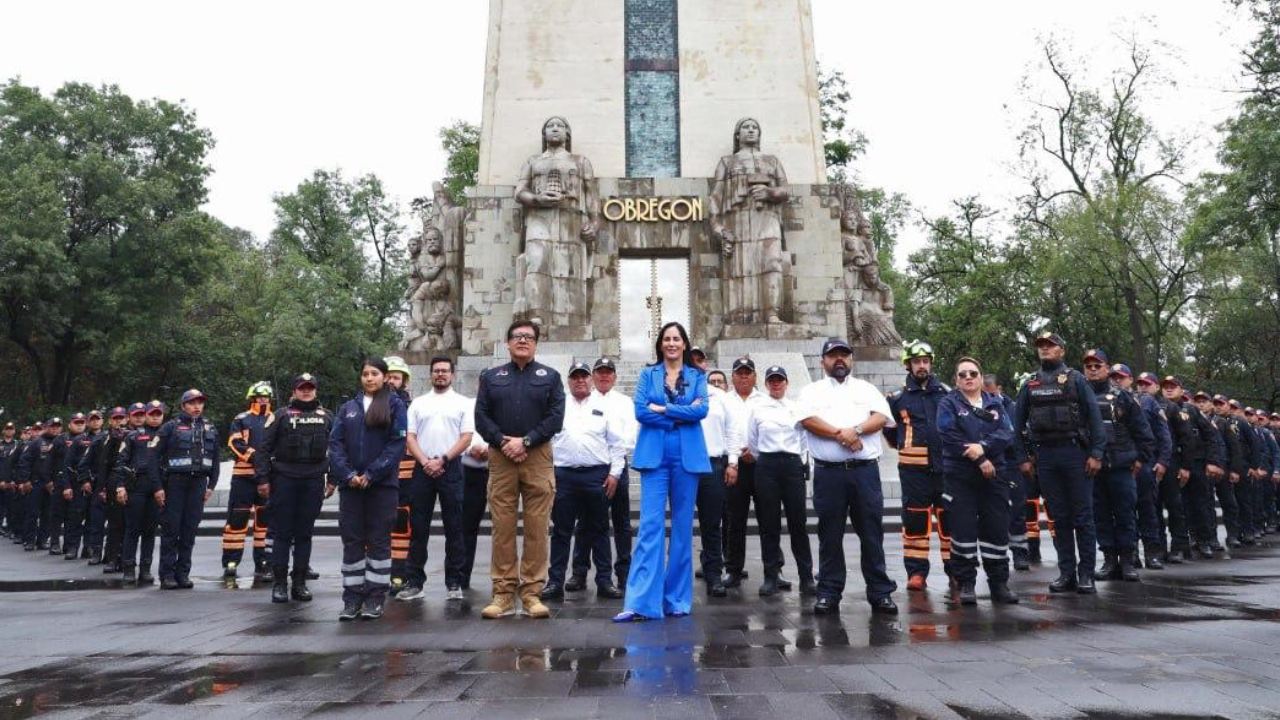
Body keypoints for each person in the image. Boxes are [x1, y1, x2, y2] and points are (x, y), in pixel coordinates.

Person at [613, 321, 709, 622]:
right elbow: (641, 410)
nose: (671, 344)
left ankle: (677, 600)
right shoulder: (648, 374)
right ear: (660, 345)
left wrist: (664, 410)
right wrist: (681, 413)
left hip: (687, 456)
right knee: (650, 527)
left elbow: (701, 410)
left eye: (676, 339)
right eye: (666, 339)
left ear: (685, 344)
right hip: (655, 455)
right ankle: (641, 602)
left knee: (682, 529)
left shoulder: (697, 376)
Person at [796, 337, 899, 616]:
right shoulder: (811, 391)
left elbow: (881, 417)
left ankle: (880, 593)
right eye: (833, 356)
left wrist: (857, 430)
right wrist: (842, 435)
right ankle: (829, 592)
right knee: (830, 535)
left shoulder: (866, 388)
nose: (839, 360)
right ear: (823, 362)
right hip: (829, 475)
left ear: (851, 360)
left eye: (844, 355)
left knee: (872, 534)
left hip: (864, 473)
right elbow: (807, 420)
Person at [474, 320, 565, 619]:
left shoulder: (550, 377)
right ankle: (502, 594)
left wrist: (526, 441)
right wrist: (503, 441)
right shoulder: (491, 377)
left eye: (528, 337)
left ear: (536, 343)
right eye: (517, 337)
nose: (523, 341)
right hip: (501, 458)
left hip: (537, 456)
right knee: (502, 527)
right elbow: (481, 417)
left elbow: (555, 417)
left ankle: (531, 593)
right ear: (508, 343)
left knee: (538, 528)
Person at [1011, 331, 1106, 594]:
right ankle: (1067, 573)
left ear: (1061, 350)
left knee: (1083, 517)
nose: (1045, 349)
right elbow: (1017, 425)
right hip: (1046, 457)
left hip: (1075, 454)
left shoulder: (1077, 380)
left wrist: (1096, 454)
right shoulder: (1030, 384)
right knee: (1059, 518)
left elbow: (1095, 421)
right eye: (1041, 346)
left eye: (1050, 346)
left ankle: (1086, 573)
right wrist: (1023, 458)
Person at [330, 358, 409, 621]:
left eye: (374, 373)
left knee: (378, 542)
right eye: (365, 374)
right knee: (352, 542)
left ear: (385, 377)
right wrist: (349, 475)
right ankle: (351, 599)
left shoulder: (395, 405)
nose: (369, 378)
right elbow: (336, 445)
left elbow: (396, 445)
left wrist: (371, 474)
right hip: (351, 487)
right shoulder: (348, 408)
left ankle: (375, 598)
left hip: (382, 487)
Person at [937, 357, 1019, 605]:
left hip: (995, 475)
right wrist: (979, 458)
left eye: (973, 373)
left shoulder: (996, 403)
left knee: (996, 528)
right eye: (962, 375)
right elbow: (948, 435)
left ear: (981, 378)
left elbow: (1007, 433)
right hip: (961, 476)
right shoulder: (948, 403)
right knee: (963, 531)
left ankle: (998, 584)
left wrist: (982, 447)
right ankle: (966, 584)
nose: (968, 378)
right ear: (956, 380)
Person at [543, 361, 627, 601]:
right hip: (564, 476)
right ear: (568, 381)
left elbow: (616, 444)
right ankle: (555, 581)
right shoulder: (557, 406)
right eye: (575, 377)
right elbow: (546, 440)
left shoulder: (604, 406)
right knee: (561, 531)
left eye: (584, 376)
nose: (580, 380)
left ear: (591, 380)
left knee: (600, 529)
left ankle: (604, 581)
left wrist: (614, 474)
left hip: (596, 475)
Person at [402, 356, 474, 601]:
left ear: (452, 374)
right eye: (436, 371)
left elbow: (466, 437)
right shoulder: (418, 404)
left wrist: (442, 459)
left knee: (454, 527)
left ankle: (454, 582)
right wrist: (425, 462)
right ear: (431, 375)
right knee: (418, 527)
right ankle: (414, 581)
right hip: (422, 467)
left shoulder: (463, 403)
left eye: (444, 371)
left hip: (451, 467)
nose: (440, 375)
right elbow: (410, 438)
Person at [256, 374, 332, 603]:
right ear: (294, 390)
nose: (306, 391)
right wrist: (262, 480)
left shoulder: (327, 417)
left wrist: (334, 479)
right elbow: (263, 450)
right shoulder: (280, 416)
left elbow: (338, 449)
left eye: (310, 388)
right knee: (282, 533)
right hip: (284, 480)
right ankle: (279, 584)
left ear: (316, 390)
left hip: (313, 481)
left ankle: (299, 583)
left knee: (304, 534)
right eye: (302, 388)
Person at [1082, 349, 1154, 582]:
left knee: (1125, 514)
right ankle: (1109, 560)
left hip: (1121, 465)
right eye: (1089, 365)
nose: (1093, 369)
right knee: (1100, 515)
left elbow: (1143, 432)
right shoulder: (1078, 396)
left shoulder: (1123, 397)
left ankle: (1127, 560)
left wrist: (1140, 460)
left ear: (1107, 368)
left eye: (1097, 365)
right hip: (1092, 468)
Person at [885, 340, 951, 592]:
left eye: (925, 361)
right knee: (914, 520)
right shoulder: (896, 398)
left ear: (931, 363)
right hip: (913, 469)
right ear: (908, 365)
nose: (921, 366)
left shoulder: (946, 394)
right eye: (916, 362)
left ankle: (955, 570)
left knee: (949, 520)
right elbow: (890, 432)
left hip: (944, 468)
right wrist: (906, 446)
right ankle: (916, 572)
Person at [566, 357, 636, 594]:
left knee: (621, 522)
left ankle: (624, 572)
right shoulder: (585, 400)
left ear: (615, 377)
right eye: (600, 372)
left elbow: (629, 435)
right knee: (587, 522)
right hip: (592, 468)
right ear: (593, 376)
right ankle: (579, 571)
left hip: (616, 466)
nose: (604, 376)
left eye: (608, 372)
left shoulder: (625, 402)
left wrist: (614, 464)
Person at [747, 365, 815, 597]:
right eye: (772, 380)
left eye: (780, 380)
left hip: (792, 465)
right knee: (769, 524)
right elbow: (752, 441)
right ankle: (770, 575)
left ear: (787, 383)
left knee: (798, 523)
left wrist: (799, 460)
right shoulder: (757, 409)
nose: (776, 384)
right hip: (766, 466)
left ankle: (806, 577)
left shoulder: (796, 408)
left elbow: (804, 439)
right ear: (766, 384)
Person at [154, 389, 220, 590]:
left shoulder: (210, 428)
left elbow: (215, 459)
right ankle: (167, 575)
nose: (196, 406)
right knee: (171, 530)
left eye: (200, 402)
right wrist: (158, 487)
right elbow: (153, 458)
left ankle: (183, 573)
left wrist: (211, 485)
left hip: (198, 484)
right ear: (183, 406)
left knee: (189, 530)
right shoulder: (170, 428)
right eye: (192, 403)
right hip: (174, 483)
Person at [1112, 366, 1172, 569]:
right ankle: (1131, 555)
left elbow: (1162, 435)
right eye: (1114, 378)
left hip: (1144, 463)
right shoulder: (1108, 400)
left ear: (1129, 379)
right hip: (1120, 463)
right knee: (1124, 513)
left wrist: (1162, 461)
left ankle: (1152, 553)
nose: (1117, 381)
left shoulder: (1146, 401)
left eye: (1121, 378)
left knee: (1147, 509)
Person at [692, 350, 739, 597]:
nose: (696, 364)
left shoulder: (720, 396)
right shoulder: (678, 393)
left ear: (705, 364)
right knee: (679, 522)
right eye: (692, 360)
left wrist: (732, 462)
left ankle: (714, 575)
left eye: (699, 360)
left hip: (713, 463)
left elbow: (733, 431)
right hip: (685, 464)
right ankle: (676, 575)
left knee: (712, 524)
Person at [1161, 377, 1225, 559]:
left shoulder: (1191, 410)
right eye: (1165, 387)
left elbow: (1211, 436)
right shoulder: (1160, 408)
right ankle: (1184, 543)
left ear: (1181, 390)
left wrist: (1213, 462)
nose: (1169, 390)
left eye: (1173, 387)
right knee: (1179, 506)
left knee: (1200, 504)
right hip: (1173, 463)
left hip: (1196, 464)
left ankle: (1205, 540)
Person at [223, 382, 275, 582]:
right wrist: (258, 457)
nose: (263, 399)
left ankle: (263, 563)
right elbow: (234, 443)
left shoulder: (276, 418)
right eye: (259, 396)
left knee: (264, 522)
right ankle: (231, 562)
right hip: (243, 478)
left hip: (267, 479)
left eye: (266, 396)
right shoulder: (241, 419)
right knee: (237, 521)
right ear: (251, 398)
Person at [1136, 373, 1189, 564]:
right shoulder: (1136, 404)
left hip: (1170, 461)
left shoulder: (1171, 407)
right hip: (1147, 461)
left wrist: (1184, 466)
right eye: (1140, 383)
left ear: (1155, 387)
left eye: (1147, 384)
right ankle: (1157, 548)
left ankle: (1179, 547)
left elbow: (1184, 439)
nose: (1143, 387)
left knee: (1175, 506)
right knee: (1152, 507)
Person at [722, 357, 766, 588]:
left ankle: (774, 569)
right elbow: (726, 431)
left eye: (748, 372)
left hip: (760, 465)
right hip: (735, 466)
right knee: (734, 520)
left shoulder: (764, 399)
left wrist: (756, 452)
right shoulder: (724, 400)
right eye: (739, 372)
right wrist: (734, 459)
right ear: (733, 376)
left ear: (755, 376)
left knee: (767, 518)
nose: (744, 376)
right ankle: (733, 569)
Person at [114, 401, 166, 584]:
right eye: (152, 413)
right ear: (145, 415)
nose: (155, 417)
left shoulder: (166, 435)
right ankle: (128, 567)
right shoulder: (134, 436)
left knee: (150, 530)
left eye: (159, 413)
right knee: (132, 529)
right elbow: (121, 462)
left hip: (157, 486)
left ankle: (145, 569)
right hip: (136, 485)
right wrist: (120, 486)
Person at [985, 374, 1030, 571]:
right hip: (990, 464)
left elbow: (1016, 433)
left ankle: (1020, 553)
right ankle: (997, 556)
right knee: (994, 513)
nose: (991, 397)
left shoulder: (1011, 407)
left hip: (1011, 463)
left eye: (993, 392)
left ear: (1000, 389)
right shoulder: (980, 406)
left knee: (1017, 511)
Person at [384, 355, 416, 596]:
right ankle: (374, 575)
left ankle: (398, 574)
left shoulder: (413, 407)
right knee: (375, 527)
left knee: (401, 526)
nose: (391, 381)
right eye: (388, 376)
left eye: (396, 377)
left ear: (404, 381)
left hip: (406, 475)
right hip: (378, 476)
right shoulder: (366, 405)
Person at [82, 406, 128, 569]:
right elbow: (86, 462)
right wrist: (87, 480)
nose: (119, 421)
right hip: (101, 485)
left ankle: (112, 556)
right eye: (115, 418)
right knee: (97, 522)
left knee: (118, 525)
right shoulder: (100, 439)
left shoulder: (130, 438)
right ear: (109, 421)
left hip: (121, 487)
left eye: (121, 418)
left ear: (126, 419)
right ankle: (96, 552)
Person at [58, 412, 97, 560]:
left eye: (97, 419)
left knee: (92, 518)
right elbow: (67, 464)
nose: (95, 422)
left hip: (96, 483)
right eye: (91, 420)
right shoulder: (80, 440)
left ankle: (88, 548)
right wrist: (67, 486)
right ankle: (72, 547)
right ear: (88, 422)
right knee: (76, 516)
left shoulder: (104, 438)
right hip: (78, 483)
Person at [459, 406, 490, 590]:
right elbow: (455, 432)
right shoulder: (465, 405)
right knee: (465, 526)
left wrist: (490, 449)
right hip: (468, 471)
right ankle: (460, 576)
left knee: (504, 529)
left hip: (499, 468)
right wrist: (470, 448)